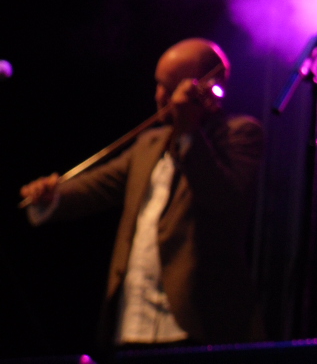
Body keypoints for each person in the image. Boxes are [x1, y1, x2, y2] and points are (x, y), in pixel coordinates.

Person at [19, 38, 264, 347]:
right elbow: (95, 187)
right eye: (158, 84)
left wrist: (189, 131)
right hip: (133, 322)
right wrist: (49, 195)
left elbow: (223, 199)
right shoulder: (148, 144)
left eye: (169, 87)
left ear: (202, 88)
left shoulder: (239, 134)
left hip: (194, 326)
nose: (159, 95)